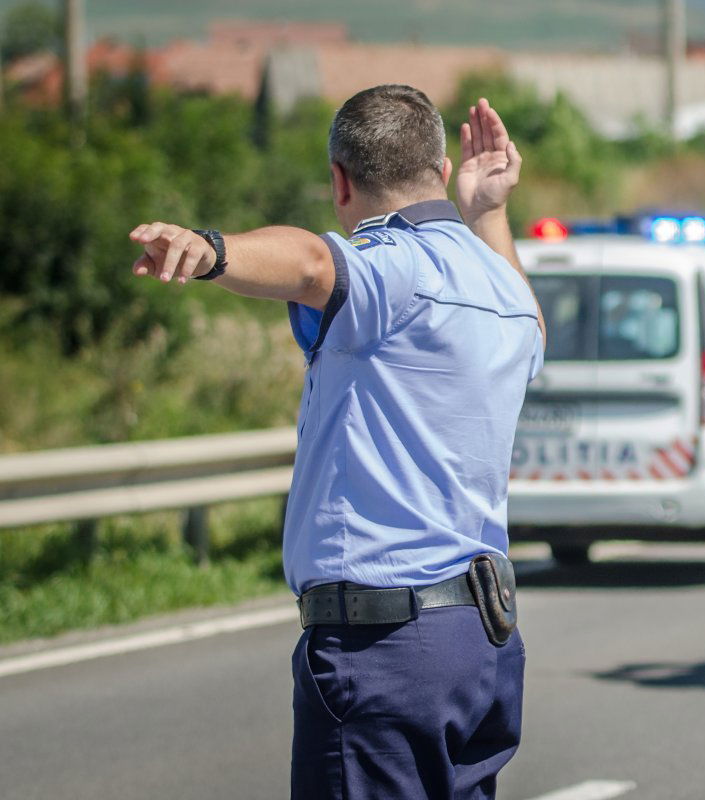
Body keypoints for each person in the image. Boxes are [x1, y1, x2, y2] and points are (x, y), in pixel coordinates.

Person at [128, 85, 545, 800]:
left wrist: (213, 251)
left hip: (384, 648)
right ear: (441, 172)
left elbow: (316, 266)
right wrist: (492, 213)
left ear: (339, 181)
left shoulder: (392, 265)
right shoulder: (501, 287)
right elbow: (531, 327)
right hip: (480, 647)